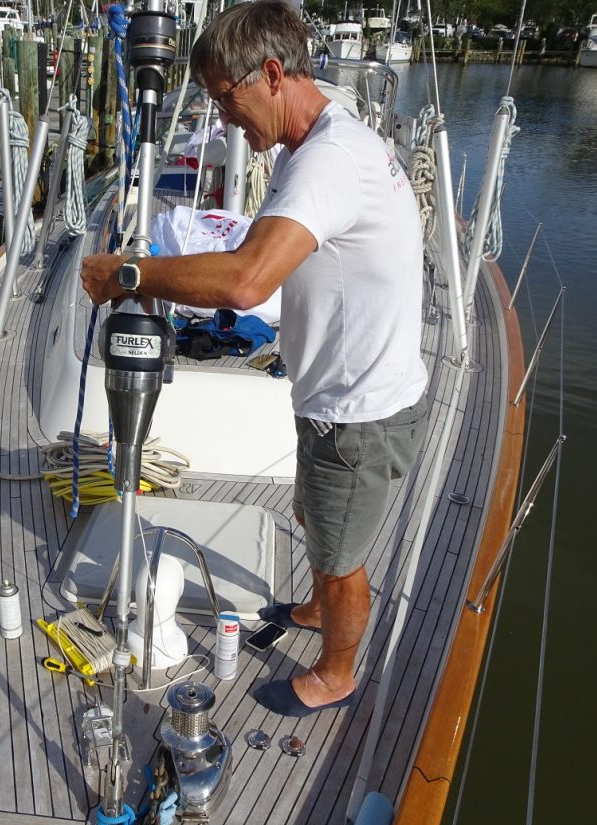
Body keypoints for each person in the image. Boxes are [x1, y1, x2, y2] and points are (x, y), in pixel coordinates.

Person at [79, 1, 429, 717]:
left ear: (272, 74)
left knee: (341, 560)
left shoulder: (328, 159)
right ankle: (316, 604)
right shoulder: (321, 124)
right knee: (315, 521)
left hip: (356, 414)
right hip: (333, 398)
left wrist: (129, 275)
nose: (223, 121)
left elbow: (246, 280)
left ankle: (336, 672)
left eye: (224, 99)